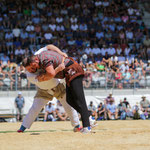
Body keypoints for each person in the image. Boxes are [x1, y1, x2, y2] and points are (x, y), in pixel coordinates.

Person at [22, 44, 92, 133]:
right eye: (30, 69)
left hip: (73, 70)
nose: (33, 70)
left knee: (80, 99)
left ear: (35, 60)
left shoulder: (43, 58)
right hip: (68, 74)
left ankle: (87, 126)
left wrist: (58, 68)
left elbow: (51, 74)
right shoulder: (39, 59)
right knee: (70, 100)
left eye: (32, 66)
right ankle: (87, 116)